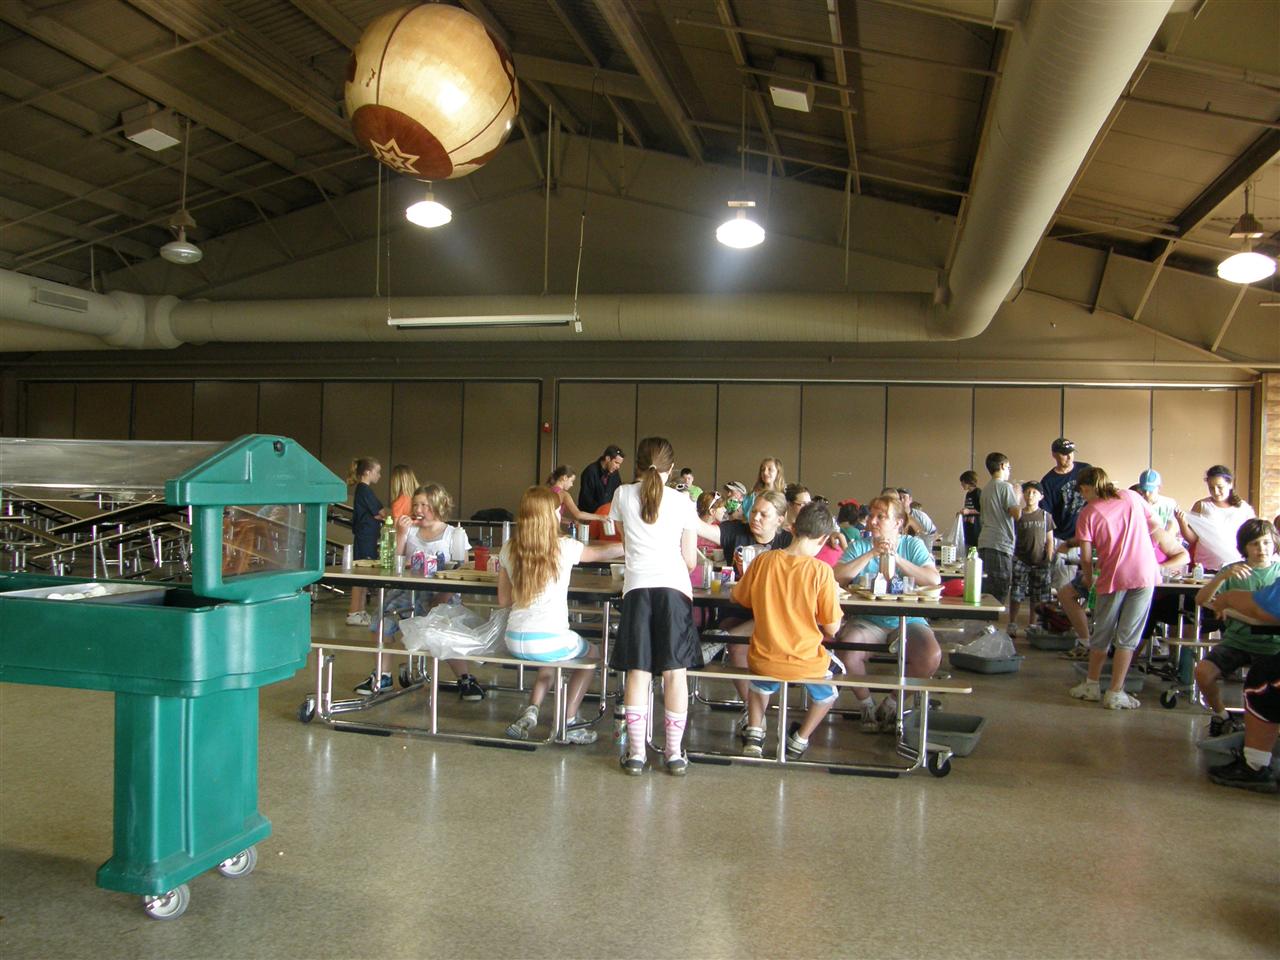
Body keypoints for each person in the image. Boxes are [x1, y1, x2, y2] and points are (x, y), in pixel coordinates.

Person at [499, 486, 623, 743]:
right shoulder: (564, 547)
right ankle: (569, 722)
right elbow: (600, 553)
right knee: (592, 654)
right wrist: (631, 544)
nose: (560, 514)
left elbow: (504, 601)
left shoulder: (508, 548)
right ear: (549, 515)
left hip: (513, 638)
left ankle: (532, 710)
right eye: (557, 510)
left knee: (552, 660)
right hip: (549, 639)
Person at [610, 437, 700, 776]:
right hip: (674, 590)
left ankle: (636, 754)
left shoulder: (622, 495)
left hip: (636, 589)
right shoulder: (682, 501)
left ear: (636, 464)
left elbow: (626, 544)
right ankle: (674, 755)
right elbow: (690, 560)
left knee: (638, 671)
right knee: (675, 674)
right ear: (671, 468)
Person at [732, 501, 843, 760]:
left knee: (760, 681)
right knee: (833, 685)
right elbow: (832, 628)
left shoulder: (763, 561)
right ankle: (799, 740)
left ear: (792, 528)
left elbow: (739, 597)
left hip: (764, 657)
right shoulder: (821, 571)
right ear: (823, 538)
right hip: (806, 660)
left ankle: (755, 733)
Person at [360, 484, 484, 699]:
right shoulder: (410, 531)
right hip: (408, 592)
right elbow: (394, 564)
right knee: (382, 621)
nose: (418, 509)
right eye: (416, 505)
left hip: (443, 592)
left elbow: (461, 570)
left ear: (438, 505)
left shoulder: (453, 534)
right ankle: (382, 675)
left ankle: (465, 677)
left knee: (443, 627)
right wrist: (400, 534)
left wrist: (443, 596)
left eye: (425, 505)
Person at [833, 495, 942, 733]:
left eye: (880, 516)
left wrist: (896, 558)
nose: (872, 521)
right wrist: (872, 553)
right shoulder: (860, 545)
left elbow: (933, 579)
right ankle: (866, 705)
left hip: (909, 619)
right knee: (847, 650)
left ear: (898, 523)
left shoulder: (912, 545)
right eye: (871, 515)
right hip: (868, 620)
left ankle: (892, 703)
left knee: (931, 656)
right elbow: (836, 576)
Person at [1068, 467, 1159, 710]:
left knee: (1103, 632)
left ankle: (1091, 684)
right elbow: (1155, 524)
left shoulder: (1088, 513)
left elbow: (1085, 556)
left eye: (1082, 492)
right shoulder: (1132, 496)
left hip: (1113, 575)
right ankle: (1116, 692)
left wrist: (1089, 579)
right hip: (1144, 573)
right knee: (1128, 636)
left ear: (1086, 488)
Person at [696, 491, 792, 711]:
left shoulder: (788, 542)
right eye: (754, 511)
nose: (755, 517)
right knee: (737, 646)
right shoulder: (735, 531)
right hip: (740, 608)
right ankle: (752, 711)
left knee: (752, 631)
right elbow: (700, 527)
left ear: (779, 520)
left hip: (775, 614)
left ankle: (722, 638)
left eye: (763, 514)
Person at [1193, 519, 1280, 737]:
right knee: (1203, 672)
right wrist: (1222, 577)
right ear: (1244, 547)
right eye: (1255, 544)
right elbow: (1201, 599)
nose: (1262, 549)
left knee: (1262, 687)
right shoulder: (1232, 571)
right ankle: (1222, 715)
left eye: (1266, 543)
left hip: (1273, 645)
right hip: (1237, 642)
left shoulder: (1278, 572)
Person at [1176, 464, 1255, 571]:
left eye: (1220, 487)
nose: (1216, 492)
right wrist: (1182, 522)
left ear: (1230, 484)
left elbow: (1252, 535)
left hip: (1237, 566)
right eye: (1211, 488)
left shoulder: (1243, 508)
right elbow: (1192, 539)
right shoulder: (1202, 505)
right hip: (1206, 566)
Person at [1009, 481, 1054, 636]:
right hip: (1021, 559)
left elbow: (1050, 540)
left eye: (1034, 492)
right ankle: (1012, 623)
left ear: (1041, 496)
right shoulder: (1019, 514)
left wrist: (1048, 558)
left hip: (1040, 561)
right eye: (1027, 492)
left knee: (1037, 595)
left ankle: (1032, 625)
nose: (1030, 495)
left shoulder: (1046, 516)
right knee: (1016, 593)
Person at [977, 452, 1022, 608]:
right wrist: (1017, 496)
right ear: (1002, 466)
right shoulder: (1005, 487)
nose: (1009, 471)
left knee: (987, 589)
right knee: (999, 589)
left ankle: (985, 621)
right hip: (999, 543)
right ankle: (991, 621)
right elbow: (1017, 514)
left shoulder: (986, 489)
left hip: (985, 541)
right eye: (1009, 467)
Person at [345, 456, 383, 627]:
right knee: (360, 573)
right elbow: (379, 512)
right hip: (365, 536)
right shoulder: (364, 490)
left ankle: (360, 610)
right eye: (377, 472)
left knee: (365, 574)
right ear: (368, 472)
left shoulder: (365, 490)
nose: (379, 475)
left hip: (369, 536)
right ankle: (354, 611)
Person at [1040, 437, 1091, 540]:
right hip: (1063, 537)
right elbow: (1046, 514)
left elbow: (1099, 492)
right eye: (1064, 454)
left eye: (1071, 452)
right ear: (1054, 455)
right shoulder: (1048, 481)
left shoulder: (1086, 469)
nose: (1069, 457)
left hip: (1087, 533)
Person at [577, 445, 625, 514]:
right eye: (616, 462)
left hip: (607, 514)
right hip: (590, 515)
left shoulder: (615, 473)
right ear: (607, 458)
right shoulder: (590, 471)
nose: (618, 467)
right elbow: (586, 500)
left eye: (620, 464)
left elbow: (617, 493)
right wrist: (602, 510)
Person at [1136, 468, 1177, 532]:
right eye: (1144, 490)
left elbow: (1172, 527)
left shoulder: (1169, 504)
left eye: (1150, 491)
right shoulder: (1137, 504)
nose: (1147, 494)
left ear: (1159, 488)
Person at [959, 471, 981, 550]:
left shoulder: (978, 493)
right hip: (968, 526)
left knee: (973, 549)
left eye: (963, 482)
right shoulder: (968, 494)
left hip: (975, 528)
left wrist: (969, 511)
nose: (961, 484)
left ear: (968, 481)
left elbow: (982, 509)